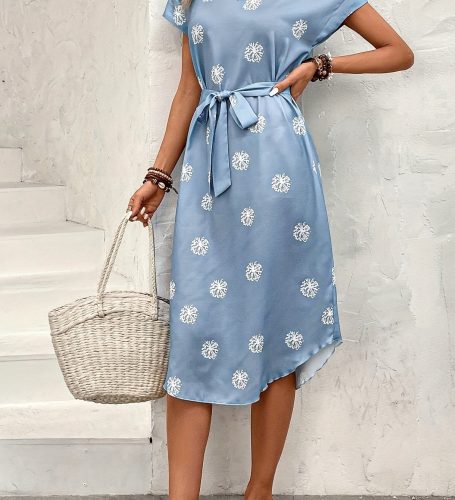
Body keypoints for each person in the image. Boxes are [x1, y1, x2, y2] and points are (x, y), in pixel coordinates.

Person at [127, 0, 413, 498]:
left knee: (274, 323)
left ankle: (259, 490)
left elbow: (398, 52)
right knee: (195, 328)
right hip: (208, 167)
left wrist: (320, 65)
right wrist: (158, 175)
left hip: (277, 163)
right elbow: (189, 89)